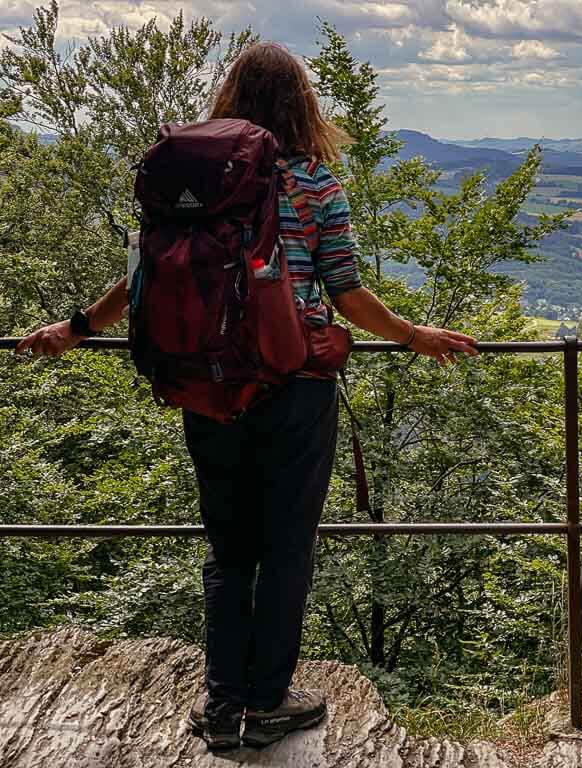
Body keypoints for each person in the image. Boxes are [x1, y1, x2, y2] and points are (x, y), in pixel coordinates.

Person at [15, 41, 478, 751]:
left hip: (207, 383)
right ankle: (266, 703)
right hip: (295, 387)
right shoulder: (315, 183)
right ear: (303, 104)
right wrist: (415, 334)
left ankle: (220, 701)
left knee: (229, 552)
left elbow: (140, 279)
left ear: (229, 98)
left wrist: (74, 330)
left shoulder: (188, 184)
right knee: (287, 547)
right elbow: (347, 292)